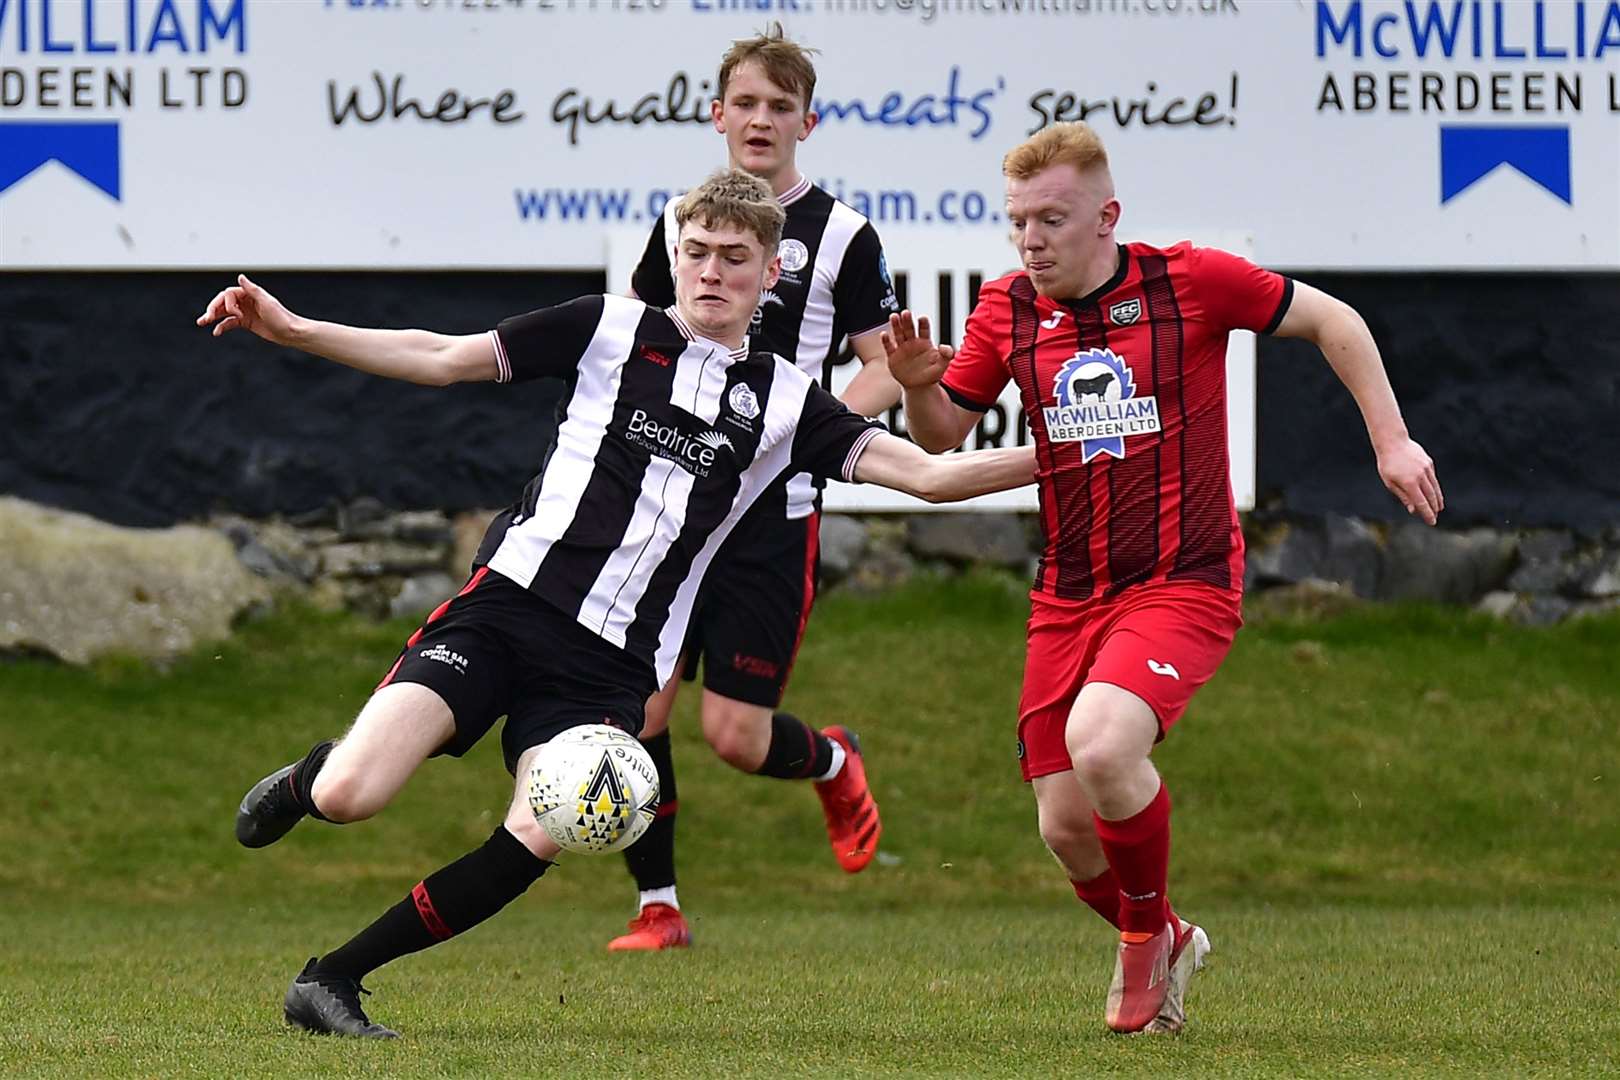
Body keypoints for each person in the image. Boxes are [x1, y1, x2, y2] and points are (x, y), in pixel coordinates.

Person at [202, 168, 1034, 1039]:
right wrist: (292, 329)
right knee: (352, 796)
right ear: (677, 258)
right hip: (507, 609)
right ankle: (311, 778)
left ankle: (333, 980)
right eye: (697, 252)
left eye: (734, 258)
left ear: (769, 276)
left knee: (540, 832)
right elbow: (446, 359)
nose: (712, 271)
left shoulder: (789, 403)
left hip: (611, 668)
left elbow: (935, 477)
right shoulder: (609, 327)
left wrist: (1074, 451)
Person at [883, 122, 1443, 1035]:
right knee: (1065, 828)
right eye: (1018, 221)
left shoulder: (1191, 280)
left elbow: (1333, 319)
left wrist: (1391, 439)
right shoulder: (1007, 308)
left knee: (1105, 746)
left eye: (1052, 219)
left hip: (1184, 578)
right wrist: (915, 385)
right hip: (1068, 591)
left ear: (1107, 217)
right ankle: (1170, 934)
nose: (1031, 240)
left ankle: (1145, 939)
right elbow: (944, 436)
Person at [614, 26, 903, 951]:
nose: (761, 120)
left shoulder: (845, 235)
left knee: (736, 737)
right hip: (675, 505)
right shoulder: (679, 222)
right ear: (718, 114)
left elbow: (886, 367)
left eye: (781, 106)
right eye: (746, 102)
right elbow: (640, 347)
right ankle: (658, 907)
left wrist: (801, 436)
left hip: (770, 517)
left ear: (807, 123)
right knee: (640, 709)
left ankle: (830, 757)